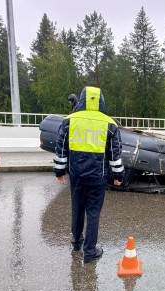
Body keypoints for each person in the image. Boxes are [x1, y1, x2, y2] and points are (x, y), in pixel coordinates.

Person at [53, 86, 124, 263]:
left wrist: (59, 170)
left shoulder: (69, 121)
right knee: (93, 212)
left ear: (83, 100)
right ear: (101, 101)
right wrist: (118, 176)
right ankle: (90, 252)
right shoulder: (110, 124)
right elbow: (115, 153)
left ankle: (77, 243)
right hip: (97, 177)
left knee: (77, 208)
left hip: (76, 175)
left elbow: (61, 146)